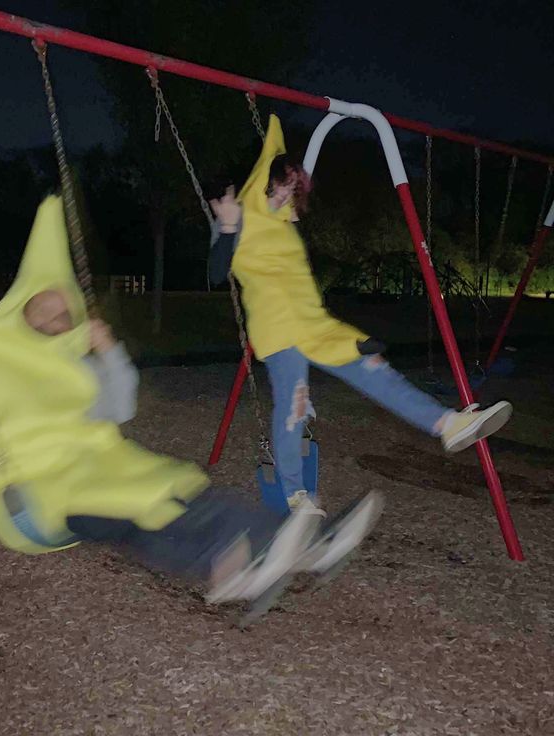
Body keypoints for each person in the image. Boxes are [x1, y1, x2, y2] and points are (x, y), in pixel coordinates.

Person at [0, 194, 383, 610]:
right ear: (19, 309)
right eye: (44, 309)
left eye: (64, 312)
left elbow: (119, 409)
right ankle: (271, 545)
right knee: (135, 501)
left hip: (94, 468)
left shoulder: (74, 364)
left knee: (167, 485)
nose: (57, 320)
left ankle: (261, 556)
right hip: (27, 496)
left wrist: (109, 351)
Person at [208, 115, 512, 511]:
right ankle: (296, 495)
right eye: (281, 185)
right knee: (293, 407)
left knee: (376, 369)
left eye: (292, 189)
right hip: (279, 331)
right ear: (265, 178)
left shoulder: (287, 225)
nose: (284, 195)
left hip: (316, 325)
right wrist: (228, 227)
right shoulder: (239, 217)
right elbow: (215, 274)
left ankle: (449, 425)